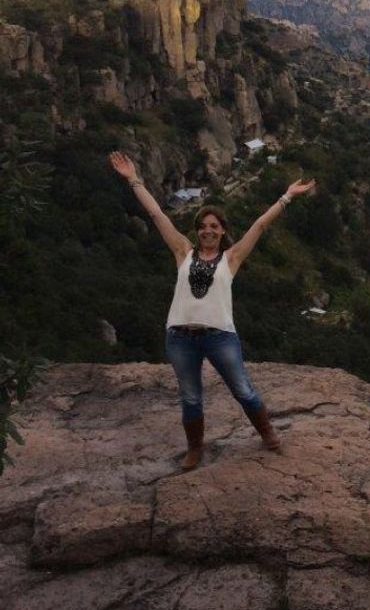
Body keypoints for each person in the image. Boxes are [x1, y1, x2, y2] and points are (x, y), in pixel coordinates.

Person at [108, 150, 315, 471]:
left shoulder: (231, 259)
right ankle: (194, 449)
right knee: (190, 397)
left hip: (220, 336)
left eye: (214, 226)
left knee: (243, 390)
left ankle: (267, 433)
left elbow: (259, 226)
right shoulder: (182, 252)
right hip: (180, 338)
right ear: (197, 230)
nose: (208, 230)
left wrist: (287, 196)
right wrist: (134, 180)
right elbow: (157, 215)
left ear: (222, 231)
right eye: (203, 226)